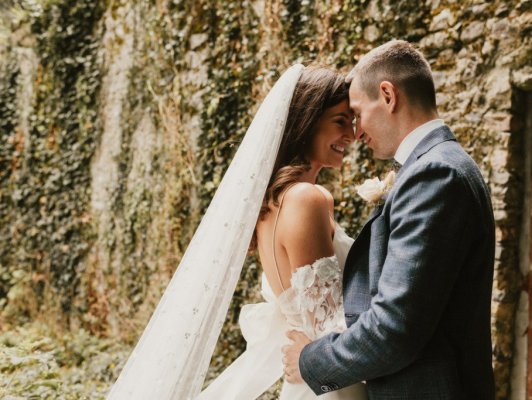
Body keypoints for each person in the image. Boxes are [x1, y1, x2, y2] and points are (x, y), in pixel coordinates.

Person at [283, 40, 496, 399]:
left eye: (358, 113)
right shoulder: (436, 166)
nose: (356, 133)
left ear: (387, 95)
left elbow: (395, 327)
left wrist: (309, 360)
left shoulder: (436, 174)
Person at [193, 65, 368, 399]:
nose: (352, 134)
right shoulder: (307, 199)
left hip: (306, 379)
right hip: (332, 382)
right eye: (340, 121)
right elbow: (328, 322)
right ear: (308, 122)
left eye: (353, 121)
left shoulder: (269, 204)